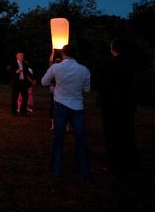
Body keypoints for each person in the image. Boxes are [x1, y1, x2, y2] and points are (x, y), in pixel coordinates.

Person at [41, 44, 91, 179]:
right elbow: (86, 90)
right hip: (77, 107)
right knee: (80, 139)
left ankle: (56, 168)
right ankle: (83, 170)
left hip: (60, 106)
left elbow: (44, 82)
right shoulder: (84, 70)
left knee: (58, 138)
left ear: (63, 54)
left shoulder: (56, 68)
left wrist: (56, 85)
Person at [99, 38, 138, 176]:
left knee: (113, 135)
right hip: (127, 104)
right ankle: (130, 162)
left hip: (112, 105)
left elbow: (104, 85)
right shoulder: (132, 64)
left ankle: (115, 164)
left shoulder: (109, 64)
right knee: (127, 133)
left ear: (113, 49)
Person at [8, 52, 34, 116]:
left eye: (22, 55)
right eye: (20, 55)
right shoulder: (13, 64)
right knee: (14, 98)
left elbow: (28, 73)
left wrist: (33, 79)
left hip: (23, 83)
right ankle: (14, 112)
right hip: (16, 83)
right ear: (16, 56)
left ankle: (23, 111)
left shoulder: (25, 64)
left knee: (25, 97)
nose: (22, 56)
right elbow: (9, 72)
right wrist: (16, 72)